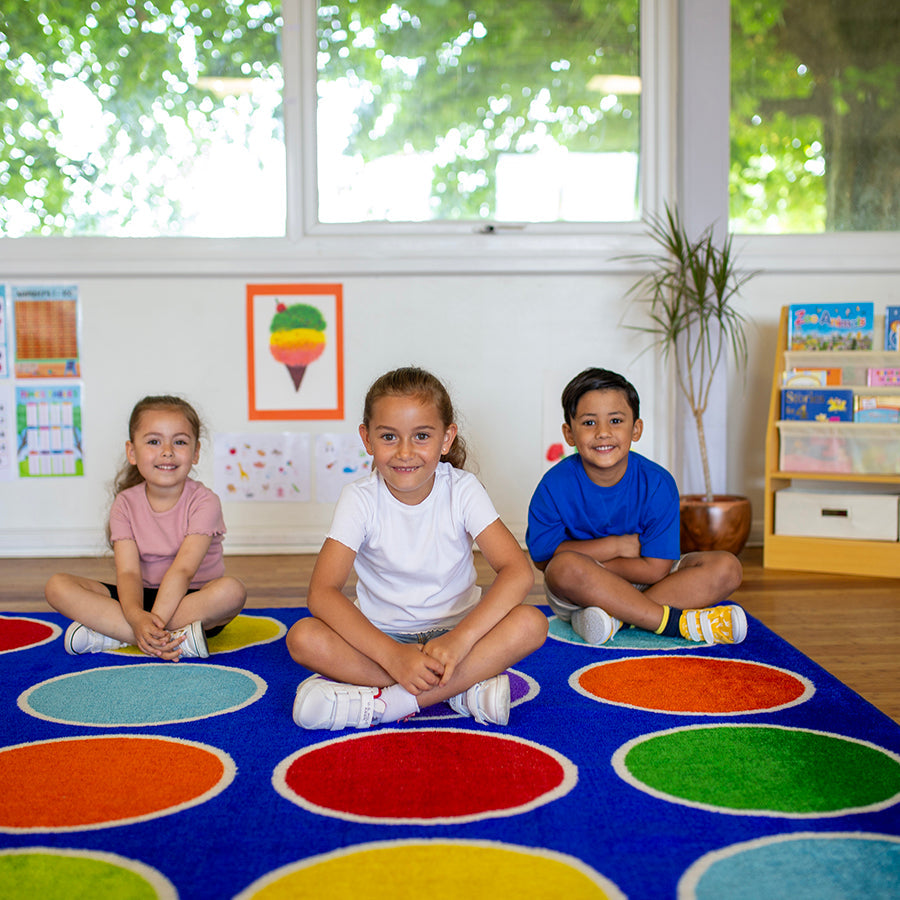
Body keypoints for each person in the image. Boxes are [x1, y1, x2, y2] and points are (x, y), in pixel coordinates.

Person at [287, 366, 547, 730]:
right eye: (389, 437)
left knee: (531, 623)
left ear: (446, 438)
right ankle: (459, 690)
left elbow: (517, 571)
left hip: (458, 633)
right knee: (303, 638)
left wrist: (460, 641)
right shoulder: (359, 498)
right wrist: (394, 656)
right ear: (367, 439)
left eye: (421, 436)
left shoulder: (463, 489)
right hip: (383, 638)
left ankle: (389, 703)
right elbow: (322, 593)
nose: (405, 452)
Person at [526, 367, 746, 646]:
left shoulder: (657, 483)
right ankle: (674, 624)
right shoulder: (553, 486)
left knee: (727, 567)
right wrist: (616, 546)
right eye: (589, 423)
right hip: (581, 592)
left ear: (636, 429)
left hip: (651, 584)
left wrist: (597, 562)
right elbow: (545, 561)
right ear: (569, 434)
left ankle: (616, 620)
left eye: (616, 420)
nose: (603, 433)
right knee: (564, 568)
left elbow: (656, 571)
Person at [45, 395, 246, 660]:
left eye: (180, 442)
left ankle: (115, 634)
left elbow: (183, 571)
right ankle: (167, 639)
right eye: (153, 441)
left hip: (189, 601)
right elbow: (128, 572)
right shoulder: (124, 503)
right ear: (132, 452)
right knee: (57, 586)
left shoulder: (205, 501)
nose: (167, 451)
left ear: (196, 452)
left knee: (231, 592)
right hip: (137, 599)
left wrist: (152, 620)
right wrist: (136, 617)